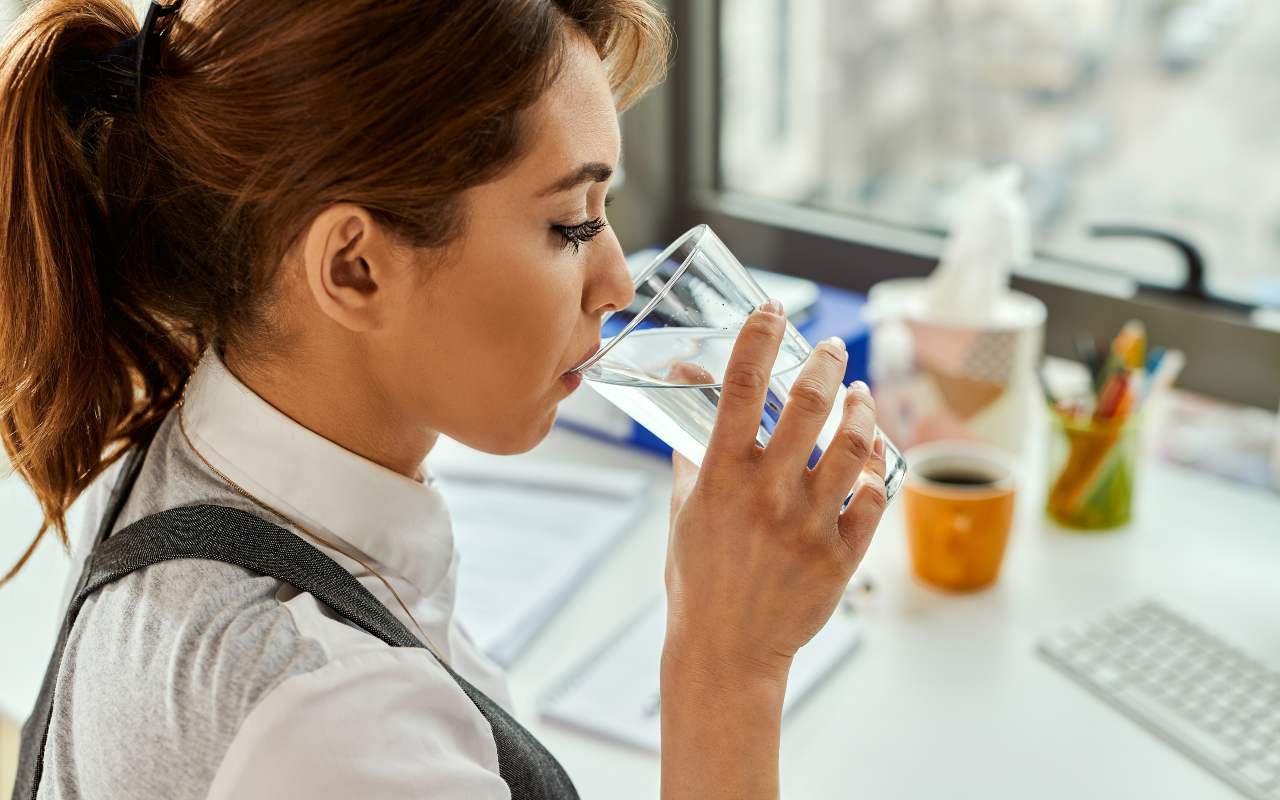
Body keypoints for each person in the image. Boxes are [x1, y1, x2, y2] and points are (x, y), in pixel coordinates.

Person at [0, 1, 889, 798]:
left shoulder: (182, 451)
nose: (619, 283)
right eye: (571, 225)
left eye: (605, 210)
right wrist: (728, 667)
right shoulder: (331, 728)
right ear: (354, 268)